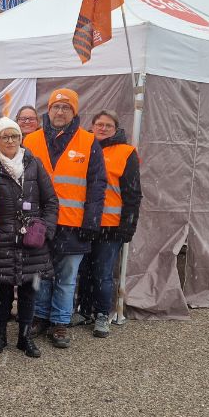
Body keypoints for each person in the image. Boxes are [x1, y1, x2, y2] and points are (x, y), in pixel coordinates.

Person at [23, 88, 106, 349]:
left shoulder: (88, 141)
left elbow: (97, 185)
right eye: (56, 107)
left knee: (67, 276)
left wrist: (91, 222)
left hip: (73, 223)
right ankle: (40, 316)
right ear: (48, 110)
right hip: (39, 223)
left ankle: (60, 321)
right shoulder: (31, 140)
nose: (60, 112)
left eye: (66, 107)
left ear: (75, 111)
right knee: (41, 272)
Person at [0, 118, 58, 358]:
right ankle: (0, 335)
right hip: (3, 239)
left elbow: (51, 201)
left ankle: (24, 337)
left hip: (32, 241)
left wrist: (45, 230)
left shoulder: (34, 164)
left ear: (21, 138)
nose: (10, 141)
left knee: (29, 290)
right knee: (2, 290)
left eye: (14, 136)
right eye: (5, 136)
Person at [76, 110, 142, 338]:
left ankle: (102, 314)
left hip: (110, 226)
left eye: (108, 125)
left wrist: (128, 226)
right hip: (83, 223)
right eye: (99, 124)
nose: (102, 129)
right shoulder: (82, 147)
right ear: (92, 126)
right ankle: (84, 310)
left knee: (103, 273)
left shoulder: (126, 153)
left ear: (116, 129)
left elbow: (133, 193)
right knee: (82, 271)